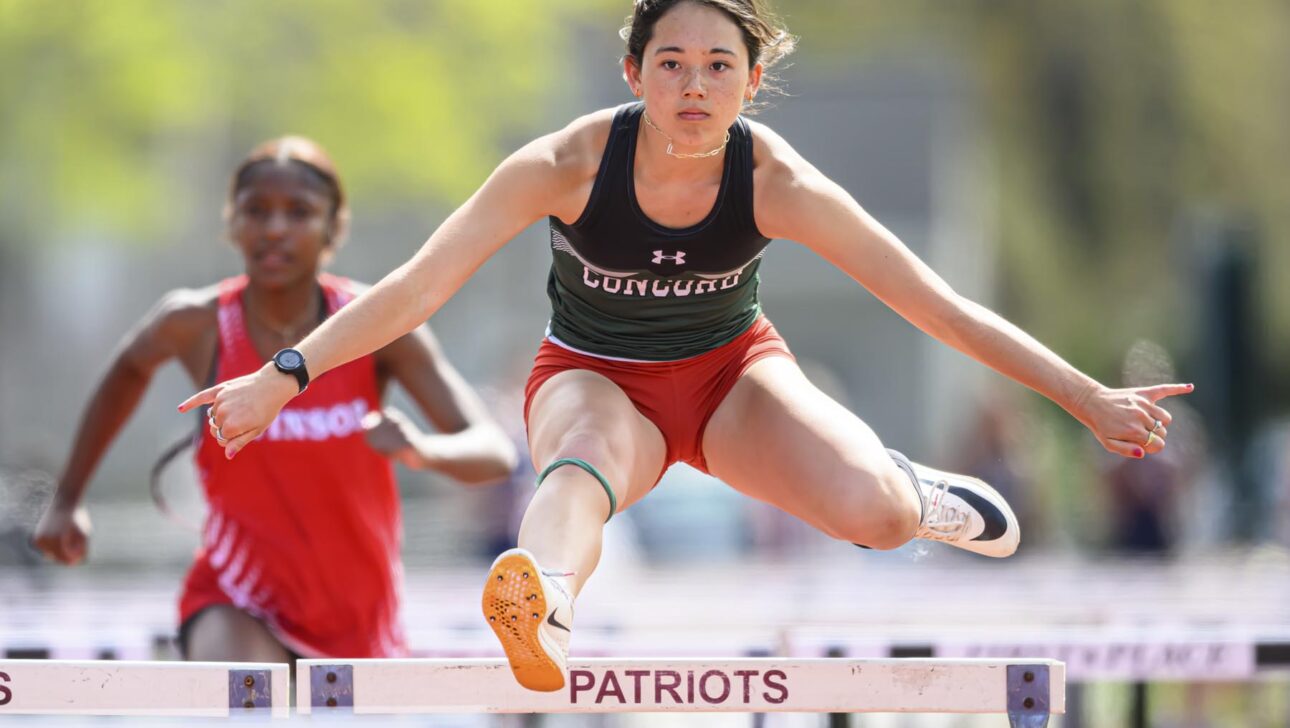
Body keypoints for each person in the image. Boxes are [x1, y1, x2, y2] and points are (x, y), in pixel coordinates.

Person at [181, 1, 1193, 691]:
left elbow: (933, 305)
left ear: (753, 81)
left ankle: (909, 490)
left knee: (876, 515)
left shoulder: (776, 181)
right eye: (671, 64)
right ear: (634, 72)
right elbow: (417, 286)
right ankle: (543, 601)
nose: (694, 88)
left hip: (732, 377)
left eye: (718, 67)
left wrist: (1087, 396)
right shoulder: (567, 164)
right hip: (592, 378)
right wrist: (284, 373)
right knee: (576, 465)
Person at [33, 136, 518, 662]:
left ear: (334, 227)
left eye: (299, 212)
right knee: (249, 701)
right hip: (237, 597)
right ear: (231, 223)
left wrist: (422, 450)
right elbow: (128, 369)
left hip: (359, 613)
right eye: (256, 211)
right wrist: (67, 499)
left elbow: (494, 453)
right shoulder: (197, 323)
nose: (275, 229)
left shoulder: (381, 325)